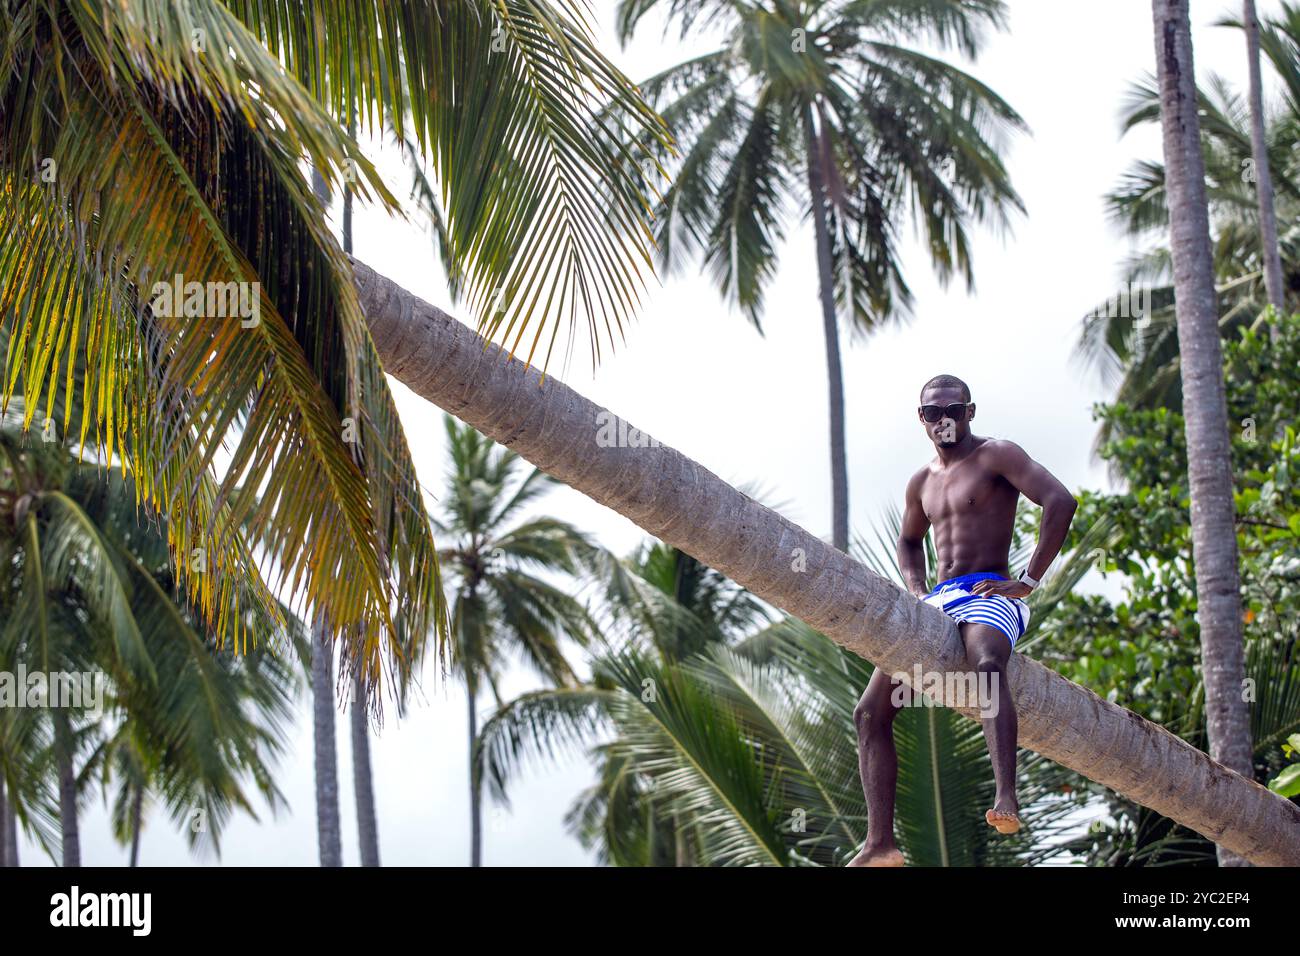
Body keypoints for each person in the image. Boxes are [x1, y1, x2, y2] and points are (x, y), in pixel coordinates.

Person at [847, 374, 1078, 867]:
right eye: (933, 413)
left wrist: (1029, 578)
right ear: (921, 418)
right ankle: (880, 845)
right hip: (937, 600)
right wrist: (915, 592)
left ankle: (1006, 797)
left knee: (987, 663)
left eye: (952, 410)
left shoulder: (997, 456)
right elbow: (910, 541)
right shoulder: (921, 482)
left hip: (990, 590)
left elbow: (1061, 501)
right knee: (869, 712)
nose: (943, 419)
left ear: (970, 412)